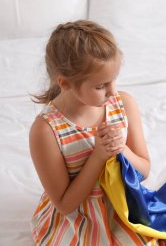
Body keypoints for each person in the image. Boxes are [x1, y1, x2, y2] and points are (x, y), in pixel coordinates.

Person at [29, 20, 159, 245]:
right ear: (65, 83)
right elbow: (65, 204)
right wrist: (98, 156)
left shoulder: (124, 105)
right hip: (78, 216)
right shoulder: (45, 131)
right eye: (100, 86)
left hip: (124, 205)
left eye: (114, 80)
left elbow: (144, 170)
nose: (112, 92)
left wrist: (121, 149)